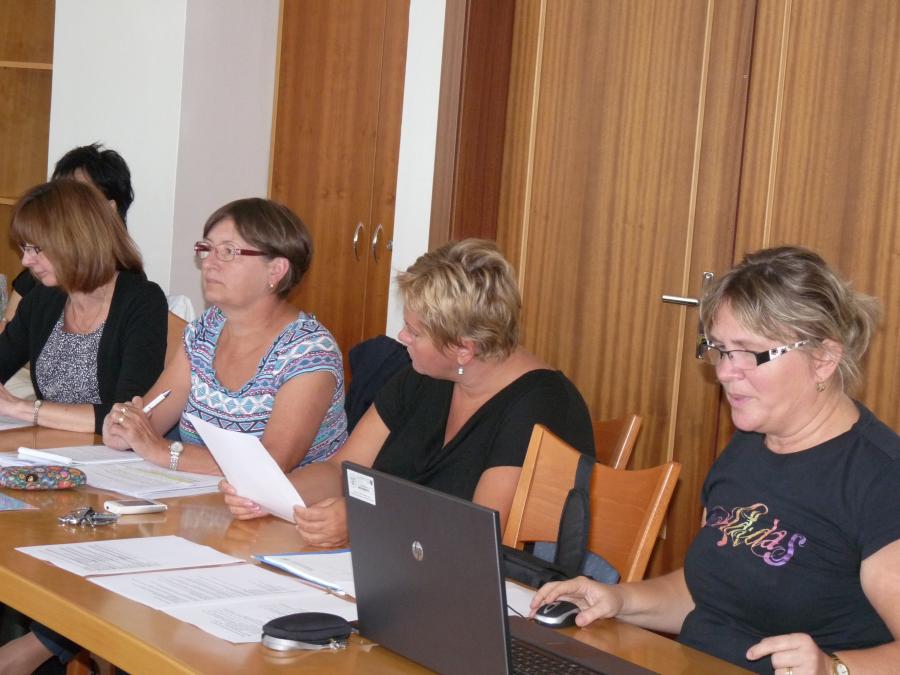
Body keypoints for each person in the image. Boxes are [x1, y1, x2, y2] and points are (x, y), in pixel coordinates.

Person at [532, 246, 900, 674]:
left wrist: (834, 669)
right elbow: (708, 591)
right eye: (721, 350)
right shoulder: (749, 443)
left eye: (750, 353)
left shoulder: (881, 481)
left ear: (823, 359)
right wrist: (618, 599)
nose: (725, 372)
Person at [223, 238, 595, 548]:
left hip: (487, 587)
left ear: (463, 349)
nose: (402, 338)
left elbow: (480, 531)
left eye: (415, 332)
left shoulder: (541, 406)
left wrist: (365, 522)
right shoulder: (423, 376)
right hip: (404, 564)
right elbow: (342, 470)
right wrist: (271, 495)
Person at [101, 197, 347, 474]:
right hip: (203, 491)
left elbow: (272, 463)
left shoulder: (309, 352)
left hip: (290, 499)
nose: (209, 263)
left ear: (276, 270)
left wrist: (160, 450)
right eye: (207, 249)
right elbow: (151, 419)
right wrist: (124, 428)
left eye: (228, 252)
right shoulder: (206, 329)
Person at [0, 179, 167, 433]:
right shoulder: (43, 299)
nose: (26, 260)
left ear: (76, 240)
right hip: (48, 445)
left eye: (36, 248)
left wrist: (21, 408)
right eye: (24, 247)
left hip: (107, 452)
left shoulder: (142, 301)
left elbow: (126, 415)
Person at [1, 143, 133, 329]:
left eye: (76, 199)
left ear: (108, 211)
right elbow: (8, 331)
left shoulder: (131, 291)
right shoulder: (40, 272)